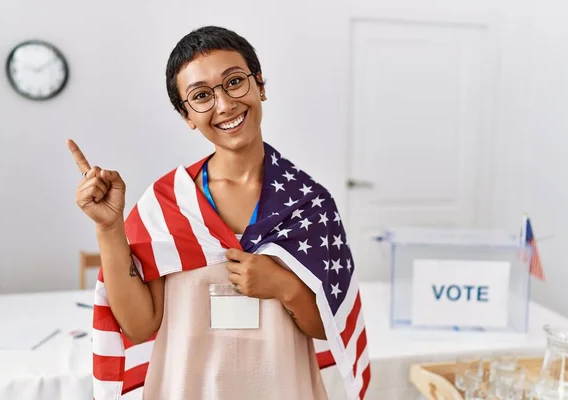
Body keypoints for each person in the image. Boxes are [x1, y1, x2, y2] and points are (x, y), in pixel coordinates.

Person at [68, 26, 370, 400]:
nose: (225, 105)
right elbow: (139, 325)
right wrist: (110, 228)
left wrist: (283, 286)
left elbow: (330, 326)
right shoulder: (167, 204)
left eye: (234, 82)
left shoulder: (308, 204)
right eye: (201, 96)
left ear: (260, 85)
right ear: (187, 116)